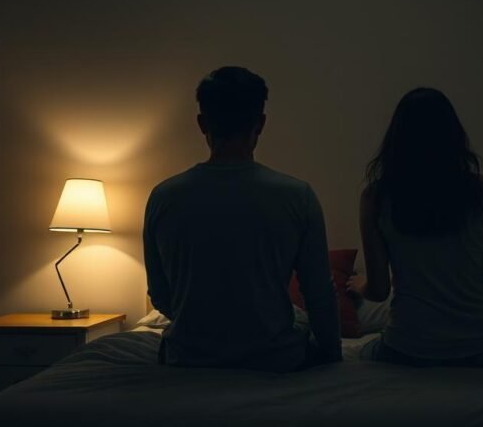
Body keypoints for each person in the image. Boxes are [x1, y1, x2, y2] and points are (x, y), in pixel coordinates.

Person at [143, 66, 341, 372]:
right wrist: (331, 354)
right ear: (260, 124)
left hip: (188, 357)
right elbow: (319, 294)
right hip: (274, 357)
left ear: (202, 123)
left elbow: (159, 293)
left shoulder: (164, 197)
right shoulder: (297, 196)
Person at [349, 87, 483, 369]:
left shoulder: (375, 198)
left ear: (397, 140)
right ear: (454, 137)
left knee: (361, 354)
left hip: (408, 348)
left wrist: (359, 285)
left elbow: (379, 289)